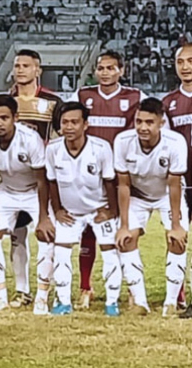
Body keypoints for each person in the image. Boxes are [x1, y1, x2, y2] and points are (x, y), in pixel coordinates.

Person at [69, 50, 149, 309]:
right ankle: (85, 287)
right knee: (90, 231)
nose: (105, 72)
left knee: (123, 232)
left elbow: (156, 125)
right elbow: (66, 119)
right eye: (101, 68)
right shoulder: (83, 96)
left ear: (121, 71)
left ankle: (129, 288)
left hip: (124, 177)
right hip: (90, 177)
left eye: (111, 68)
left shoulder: (135, 97)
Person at [0, 94, 55, 315]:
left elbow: (42, 179)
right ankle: (0, 297)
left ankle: (41, 297)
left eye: (4, 118)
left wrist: (43, 217)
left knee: (47, 237)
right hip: (7, 191)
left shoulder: (30, 139)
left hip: (34, 191)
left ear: (15, 118)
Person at [114, 98, 188, 317]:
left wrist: (175, 225)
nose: (143, 127)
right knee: (126, 240)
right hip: (138, 195)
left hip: (167, 194)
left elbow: (174, 185)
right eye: (138, 122)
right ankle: (140, 303)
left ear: (161, 123)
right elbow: (123, 185)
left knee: (177, 240)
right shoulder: (123, 141)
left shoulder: (175, 142)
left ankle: (171, 303)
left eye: (149, 122)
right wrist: (124, 225)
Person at [46, 102, 121, 316]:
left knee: (109, 251)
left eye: (74, 122)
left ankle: (112, 303)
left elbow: (110, 182)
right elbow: (51, 182)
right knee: (61, 252)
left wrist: (111, 210)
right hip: (70, 212)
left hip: (98, 209)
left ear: (85, 124)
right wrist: (58, 209)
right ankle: (63, 302)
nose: (69, 127)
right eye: (65, 123)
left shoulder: (101, 148)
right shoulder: (53, 149)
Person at [7, 49, 62, 309]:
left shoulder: (52, 101)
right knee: (16, 235)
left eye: (26, 66)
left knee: (47, 234)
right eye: (17, 65)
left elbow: (63, 135)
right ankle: (22, 289)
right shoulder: (6, 100)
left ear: (37, 70)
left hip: (44, 180)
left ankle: (45, 289)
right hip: (14, 181)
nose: (20, 70)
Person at [163, 44, 192, 317]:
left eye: (191, 61)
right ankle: (178, 294)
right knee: (176, 237)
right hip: (182, 184)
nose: (185, 66)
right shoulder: (168, 102)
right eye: (181, 61)